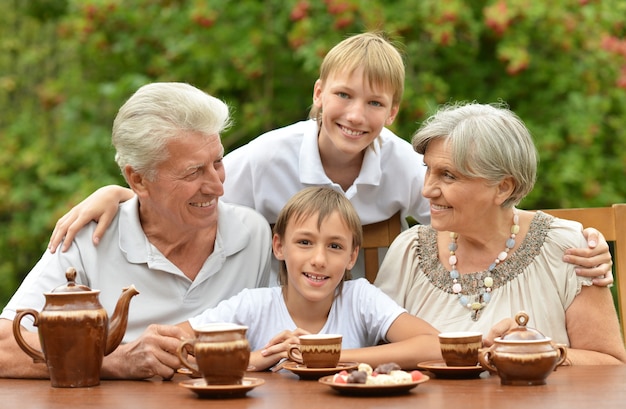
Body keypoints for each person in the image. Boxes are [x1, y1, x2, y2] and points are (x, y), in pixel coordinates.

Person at [46, 32, 613, 283]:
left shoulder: (402, 166)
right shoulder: (268, 158)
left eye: (375, 103)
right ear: (318, 94)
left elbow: (478, 211)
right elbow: (187, 194)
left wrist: (575, 236)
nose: (355, 115)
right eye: (342, 95)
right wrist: (115, 193)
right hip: (281, 299)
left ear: (393, 112)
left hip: (362, 303)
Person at [0, 82, 272, 380]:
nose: (218, 186)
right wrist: (113, 360)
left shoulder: (254, 235)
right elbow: (4, 348)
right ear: (138, 180)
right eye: (193, 171)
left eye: (218, 162)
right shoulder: (89, 239)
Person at [374, 102, 626, 365]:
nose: (427, 190)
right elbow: (378, 359)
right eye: (428, 169)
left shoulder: (568, 249)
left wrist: (540, 353)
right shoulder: (409, 252)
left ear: (503, 187)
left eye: (448, 176)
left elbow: (610, 363)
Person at [178, 186, 442, 371]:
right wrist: (258, 358)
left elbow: (436, 346)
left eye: (335, 246)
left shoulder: (359, 298)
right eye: (305, 242)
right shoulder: (254, 305)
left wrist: (327, 357)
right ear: (279, 247)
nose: (319, 259)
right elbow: (177, 344)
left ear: (352, 256)